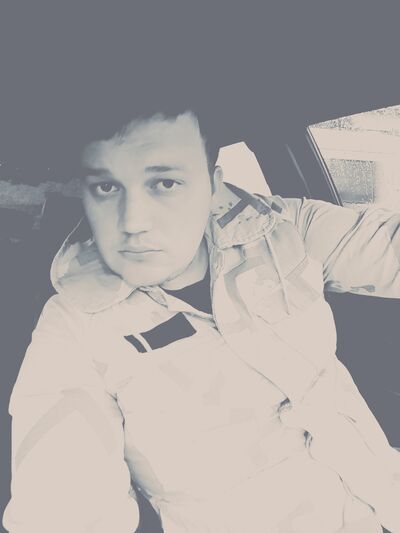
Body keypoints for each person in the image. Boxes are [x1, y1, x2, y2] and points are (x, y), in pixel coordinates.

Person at [3, 107, 400, 533]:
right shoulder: (73, 329)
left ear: (214, 187)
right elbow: (61, 510)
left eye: (165, 183)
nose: (133, 222)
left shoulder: (280, 231)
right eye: (106, 187)